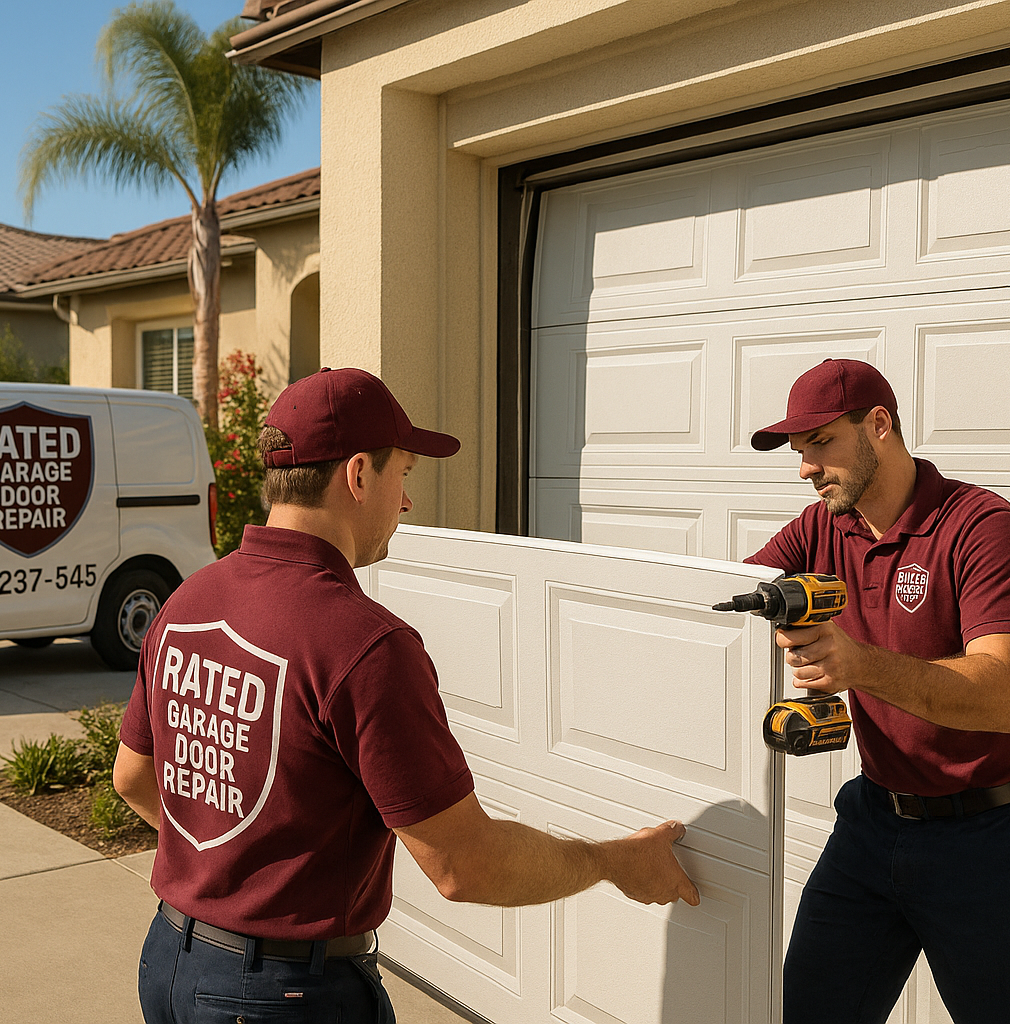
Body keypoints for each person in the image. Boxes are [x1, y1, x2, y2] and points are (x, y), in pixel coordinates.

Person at [113, 366, 700, 1023]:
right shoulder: (362, 643)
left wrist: (227, 877)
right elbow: (463, 866)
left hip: (170, 962)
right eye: (405, 476)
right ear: (359, 475)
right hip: (283, 998)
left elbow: (134, 778)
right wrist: (610, 862)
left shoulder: (188, 601)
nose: (407, 501)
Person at [745, 358, 1010, 1023]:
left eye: (821, 443)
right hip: (871, 823)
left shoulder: (980, 526)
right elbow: (719, 593)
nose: (805, 468)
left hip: (988, 838)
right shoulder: (823, 526)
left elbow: (1005, 697)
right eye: (800, 452)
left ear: (879, 424)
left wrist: (859, 664)